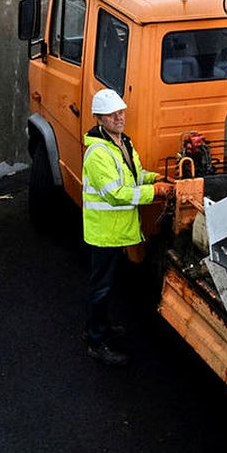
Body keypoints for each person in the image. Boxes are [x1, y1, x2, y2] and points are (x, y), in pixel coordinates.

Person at [81, 88, 172, 366]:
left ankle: (101, 329)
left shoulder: (122, 143)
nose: (120, 117)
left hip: (117, 230)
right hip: (104, 232)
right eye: (113, 114)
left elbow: (135, 176)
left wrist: (156, 177)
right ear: (100, 118)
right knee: (101, 288)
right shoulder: (98, 153)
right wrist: (156, 192)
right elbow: (116, 194)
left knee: (106, 286)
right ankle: (96, 342)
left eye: (121, 112)